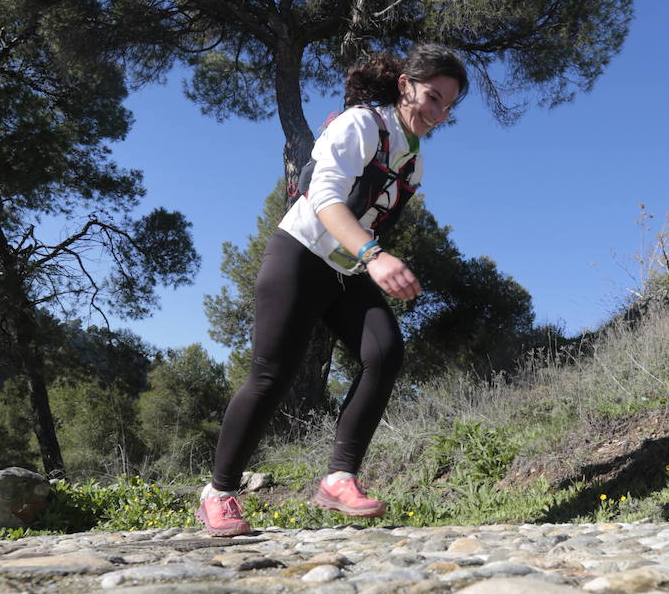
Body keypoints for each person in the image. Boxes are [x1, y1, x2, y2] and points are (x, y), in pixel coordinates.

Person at [196, 42, 469, 535]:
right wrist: (375, 256)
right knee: (270, 377)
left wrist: (367, 258)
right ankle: (218, 492)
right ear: (405, 85)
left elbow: (374, 213)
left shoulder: (413, 162)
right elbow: (322, 198)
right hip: (299, 254)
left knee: (384, 353)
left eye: (448, 105)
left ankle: (339, 479)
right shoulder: (361, 124)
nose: (439, 112)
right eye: (432, 97)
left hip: (346, 270)